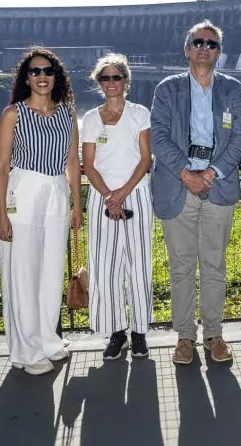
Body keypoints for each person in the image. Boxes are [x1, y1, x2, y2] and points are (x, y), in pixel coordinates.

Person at [151, 20, 241, 365]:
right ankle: (185, 337)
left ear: (219, 52)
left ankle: (214, 334)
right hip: (178, 185)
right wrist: (185, 172)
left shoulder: (232, 88)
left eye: (211, 44)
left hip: (217, 184)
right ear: (187, 49)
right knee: (181, 267)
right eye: (198, 42)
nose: (204, 48)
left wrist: (210, 172)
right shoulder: (168, 89)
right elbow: (158, 136)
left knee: (214, 265)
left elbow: (239, 138)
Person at [0, 47, 82, 375]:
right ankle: (27, 351)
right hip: (24, 192)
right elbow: (1, 167)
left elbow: (72, 162)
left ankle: (48, 340)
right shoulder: (12, 114)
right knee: (23, 273)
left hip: (57, 192)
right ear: (26, 77)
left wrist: (76, 205)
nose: (42, 76)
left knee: (51, 271)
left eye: (48, 71)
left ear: (56, 76)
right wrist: (1, 214)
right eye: (35, 71)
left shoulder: (67, 114)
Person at [80, 54, 154, 361]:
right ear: (99, 82)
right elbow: (88, 165)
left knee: (138, 265)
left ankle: (139, 333)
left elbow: (145, 159)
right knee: (105, 267)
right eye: (105, 78)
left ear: (126, 81)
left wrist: (121, 194)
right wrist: (110, 196)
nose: (111, 83)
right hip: (102, 197)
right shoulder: (90, 118)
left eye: (116, 77)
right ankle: (116, 332)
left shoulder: (140, 113)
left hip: (136, 194)